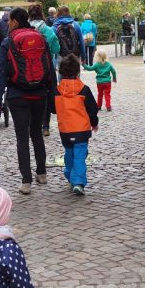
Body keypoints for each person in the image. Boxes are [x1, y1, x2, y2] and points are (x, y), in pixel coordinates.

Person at [0, 7, 57, 195]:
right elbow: (50, 69)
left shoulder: (8, 41)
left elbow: (1, 74)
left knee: (22, 137)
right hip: (39, 94)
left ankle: (26, 181)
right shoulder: (40, 38)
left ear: (14, 21)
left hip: (17, 95)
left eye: (9, 21)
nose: (7, 24)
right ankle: (42, 173)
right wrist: (53, 95)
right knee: (36, 134)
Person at [53, 55, 99, 195]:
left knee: (69, 154)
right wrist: (94, 123)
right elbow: (92, 108)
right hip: (81, 130)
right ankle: (78, 181)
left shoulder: (57, 91)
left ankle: (70, 175)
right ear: (78, 71)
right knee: (79, 155)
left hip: (65, 130)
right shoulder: (84, 89)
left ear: (60, 72)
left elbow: (52, 109)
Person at [28, 4, 61, 137]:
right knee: (46, 95)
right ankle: (45, 126)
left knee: (29, 95)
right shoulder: (48, 30)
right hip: (46, 68)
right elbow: (56, 49)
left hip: (28, 69)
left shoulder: (24, 30)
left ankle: (31, 124)